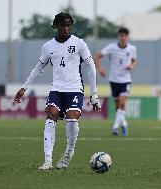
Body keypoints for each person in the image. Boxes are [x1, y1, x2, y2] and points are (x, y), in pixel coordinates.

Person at [14, 12, 101, 170]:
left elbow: (91, 67)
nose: (66, 28)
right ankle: (47, 160)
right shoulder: (48, 46)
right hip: (57, 89)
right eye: (63, 25)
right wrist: (24, 88)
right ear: (56, 26)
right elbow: (38, 68)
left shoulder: (79, 44)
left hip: (75, 89)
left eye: (68, 25)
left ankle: (68, 153)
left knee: (72, 117)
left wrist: (93, 94)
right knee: (51, 114)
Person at [94, 27, 137, 136]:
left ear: (127, 37)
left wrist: (131, 66)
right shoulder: (112, 47)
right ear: (118, 37)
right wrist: (100, 69)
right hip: (113, 80)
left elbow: (134, 60)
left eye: (124, 36)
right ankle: (124, 124)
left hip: (126, 80)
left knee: (122, 103)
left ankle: (115, 127)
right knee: (118, 107)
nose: (122, 38)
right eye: (121, 35)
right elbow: (97, 56)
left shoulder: (132, 49)